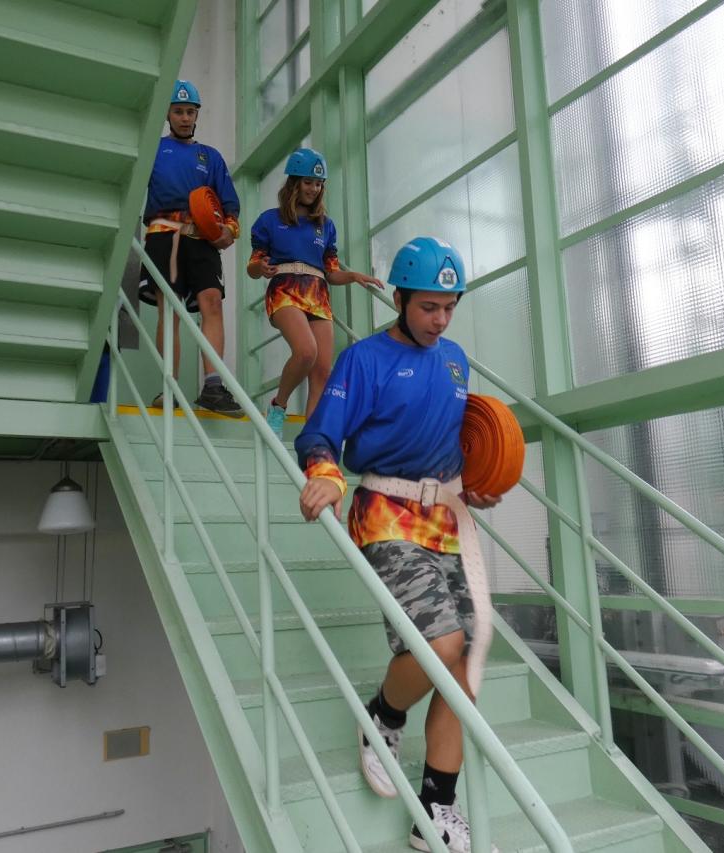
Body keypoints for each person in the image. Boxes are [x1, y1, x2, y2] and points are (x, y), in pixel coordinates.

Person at [294, 237, 501, 853]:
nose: (440, 321)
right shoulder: (364, 360)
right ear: (400, 299)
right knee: (440, 643)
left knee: (465, 664)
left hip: (446, 519)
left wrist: (476, 483)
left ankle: (435, 810)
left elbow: (458, 441)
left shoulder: (456, 360)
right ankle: (383, 716)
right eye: (429, 307)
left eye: (449, 308)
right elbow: (319, 435)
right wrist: (326, 475)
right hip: (385, 513)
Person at [247, 148, 382, 434]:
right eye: (308, 182)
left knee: (322, 370)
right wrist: (261, 268)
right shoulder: (269, 220)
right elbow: (253, 266)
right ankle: (279, 406)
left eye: (319, 184)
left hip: (318, 295)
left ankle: (313, 438)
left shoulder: (326, 226)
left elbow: (331, 272)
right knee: (306, 351)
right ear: (294, 182)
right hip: (284, 290)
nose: (314, 189)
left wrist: (353, 275)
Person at [138, 79, 243, 416]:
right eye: (178, 111)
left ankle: (213, 387)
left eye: (190, 111)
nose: (184, 117)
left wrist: (229, 230)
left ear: (197, 115)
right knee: (169, 308)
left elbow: (230, 206)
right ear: (168, 114)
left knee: (212, 302)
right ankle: (169, 385)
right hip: (163, 234)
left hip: (202, 239)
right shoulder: (152, 150)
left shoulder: (210, 157)